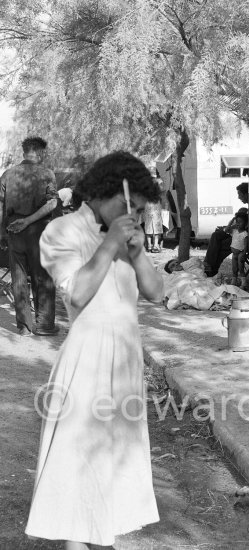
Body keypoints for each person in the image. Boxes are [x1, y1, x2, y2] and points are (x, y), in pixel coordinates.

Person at [25, 151, 164, 549]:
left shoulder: (127, 235)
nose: (133, 215)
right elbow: (80, 293)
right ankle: (76, 540)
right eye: (128, 205)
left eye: (139, 209)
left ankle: (103, 534)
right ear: (106, 191)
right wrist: (109, 246)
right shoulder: (61, 230)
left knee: (115, 454)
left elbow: (156, 293)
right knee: (80, 453)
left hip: (125, 357)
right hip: (87, 356)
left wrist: (135, 252)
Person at [0, 136, 59, 336]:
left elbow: (0, 207)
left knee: (18, 277)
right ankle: (44, 325)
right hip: (39, 231)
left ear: (24, 152)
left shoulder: (7, 174)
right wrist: (29, 220)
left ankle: (24, 326)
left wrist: (2, 233)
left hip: (14, 231)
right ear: (40, 152)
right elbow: (52, 203)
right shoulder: (47, 174)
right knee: (43, 277)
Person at [203, 182, 248, 277]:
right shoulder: (246, 208)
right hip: (236, 232)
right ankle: (209, 266)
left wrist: (230, 228)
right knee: (216, 235)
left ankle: (210, 269)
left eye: (240, 194)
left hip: (242, 236)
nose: (238, 197)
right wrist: (227, 227)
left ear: (246, 194)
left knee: (221, 245)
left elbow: (244, 227)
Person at [143, 169, 165, 252]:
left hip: (147, 204)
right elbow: (162, 192)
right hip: (155, 204)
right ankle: (155, 245)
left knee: (148, 224)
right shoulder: (159, 181)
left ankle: (149, 245)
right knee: (157, 225)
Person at [229, 211, 248, 288]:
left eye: (240, 222)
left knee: (241, 268)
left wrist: (244, 253)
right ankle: (234, 281)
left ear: (245, 223)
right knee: (234, 268)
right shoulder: (234, 231)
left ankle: (244, 283)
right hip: (234, 254)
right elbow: (227, 229)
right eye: (237, 222)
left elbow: (246, 245)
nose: (238, 223)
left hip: (240, 253)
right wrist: (232, 220)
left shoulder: (245, 233)